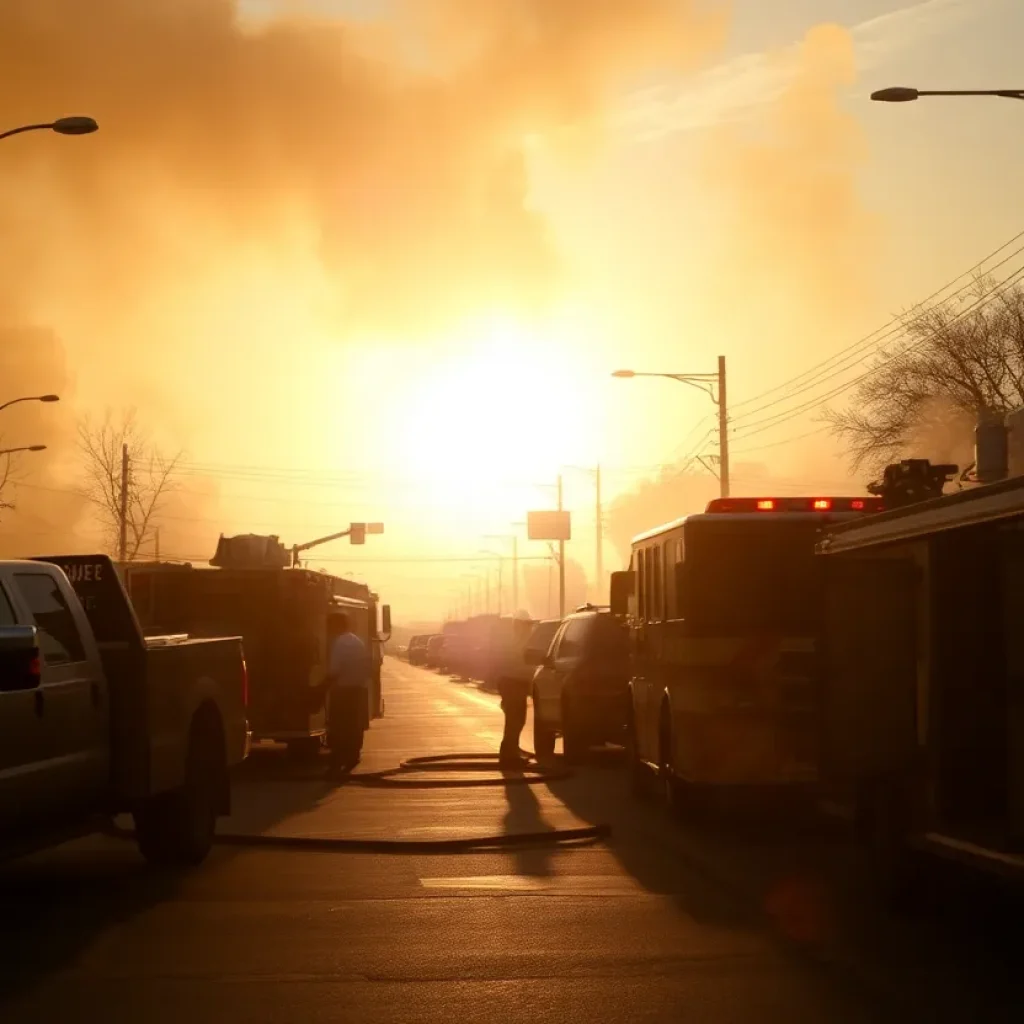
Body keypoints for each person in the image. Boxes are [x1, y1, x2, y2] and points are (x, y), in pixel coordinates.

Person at [319, 611, 371, 777]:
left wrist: (321, 687)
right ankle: (352, 757)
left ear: (335, 625)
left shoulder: (339, 643)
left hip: (343, 691)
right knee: (354, 726)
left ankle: (335, 764)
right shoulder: (357, 641)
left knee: (339, 728)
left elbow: (335, 670)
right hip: (358, 689)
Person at [498, 674, 530, 768]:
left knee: (516, 721)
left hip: (514, 682)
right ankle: (509, 757)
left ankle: (511, 753)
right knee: (515, 721)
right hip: (513, 682)